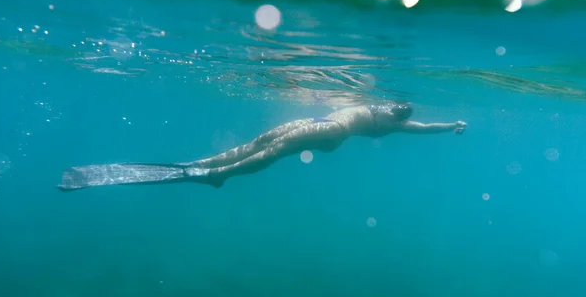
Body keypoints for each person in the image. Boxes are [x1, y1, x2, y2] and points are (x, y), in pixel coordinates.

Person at [58, 101, 466, 191]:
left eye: (400, 110)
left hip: (330, 132)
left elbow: (426, 126)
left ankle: (219, 174)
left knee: (273, 151)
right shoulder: (374, 103)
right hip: (319, 123)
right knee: (263, 141)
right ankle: (212, 165)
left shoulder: (395, 123)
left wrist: (453, 126)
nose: (398, 109)